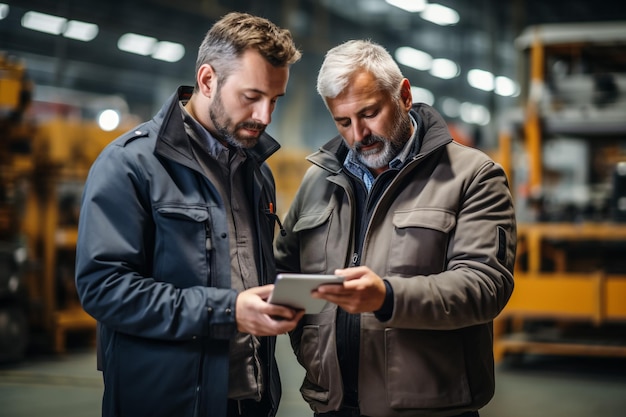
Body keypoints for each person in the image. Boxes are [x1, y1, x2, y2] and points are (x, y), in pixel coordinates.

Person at [75, 12, 304, 417]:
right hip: (166, 401)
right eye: (251, 97)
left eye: (274, 100)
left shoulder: (257, 172)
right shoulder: (131, 164)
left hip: (249, 399)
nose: (265, 117)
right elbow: (103, 288)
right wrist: (227, 311)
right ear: (207, 80)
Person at [274, 39, 517, 417]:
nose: (358, 134)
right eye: (343, 121)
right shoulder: (317, 180)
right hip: (333, 404)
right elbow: (284, 272)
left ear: (404, 95)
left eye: (370, 113)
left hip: (430, 405)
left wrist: (387, 297)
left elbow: (485, 286)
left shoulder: (472, 176)